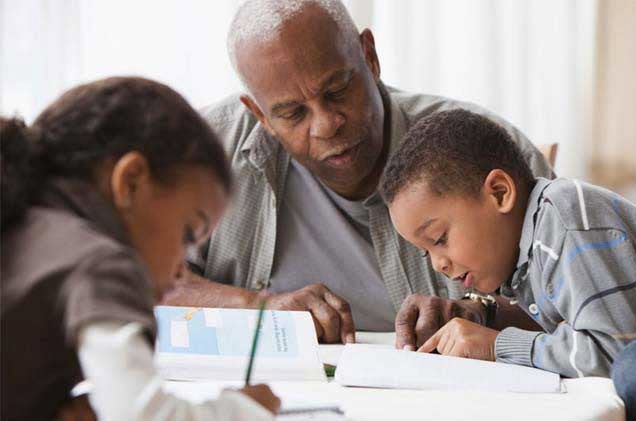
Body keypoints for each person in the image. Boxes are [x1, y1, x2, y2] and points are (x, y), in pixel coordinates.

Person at [164, 0, 553, 346]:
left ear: (369, 56)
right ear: (259, 114)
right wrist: (258, 308)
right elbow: (134, 280)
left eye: (337, 90)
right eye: (292, 113)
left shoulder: (479, 148)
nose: (326, 124)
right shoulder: (207, 149)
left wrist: (479, 311)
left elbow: (575, 296)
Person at [380, 109, 636, 420]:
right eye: (425, 251)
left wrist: (497, 346)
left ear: (499, 193)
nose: (439, 264)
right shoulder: (523, 263)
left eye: (439, 238)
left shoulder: (566, 217)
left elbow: (612, 350)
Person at [0, 77, 280, 421]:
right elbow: (144, 417)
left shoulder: (31, 229)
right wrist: (246, 409)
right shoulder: (98, 262)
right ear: (130, 181)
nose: (182, 270)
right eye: (188, 233)